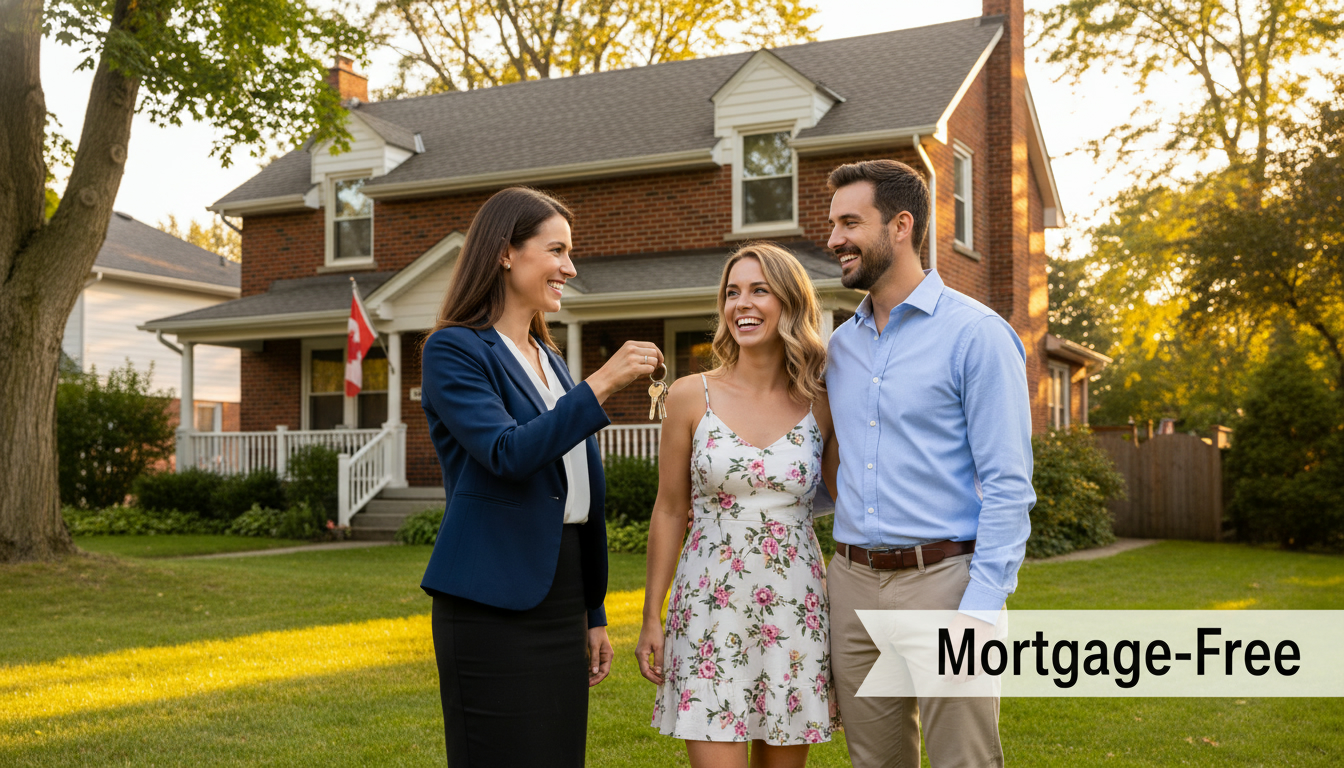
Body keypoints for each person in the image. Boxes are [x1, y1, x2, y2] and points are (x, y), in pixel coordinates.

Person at [418, 186, 664, 767]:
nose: (569, 268)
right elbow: (506, 452)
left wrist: (592, 611)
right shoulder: (454, 351)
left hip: (563, 591)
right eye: (556, 251)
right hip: (492, 601)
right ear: (506, 252)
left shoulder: (548, 359)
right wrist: (600, 384)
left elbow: (577, 492)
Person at [823, 159, 1036, 767]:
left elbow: (1008, 484)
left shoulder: (977, 335)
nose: (834, 239)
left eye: (849, 222)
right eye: (833, 224)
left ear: (900, 225)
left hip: (946, 584)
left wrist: (983, 606)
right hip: (853, 584)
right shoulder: (842, 347)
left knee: (960, 761)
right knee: (874, 762)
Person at [636, 242, 841, 768]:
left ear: (790, 303)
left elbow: (852, 499)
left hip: (795, 610)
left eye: (759, 291)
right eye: (732, 293)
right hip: (709, 609)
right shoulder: (689, 395)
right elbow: (668, 510)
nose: (741, 304)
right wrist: (650, 617)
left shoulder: (822, 400)